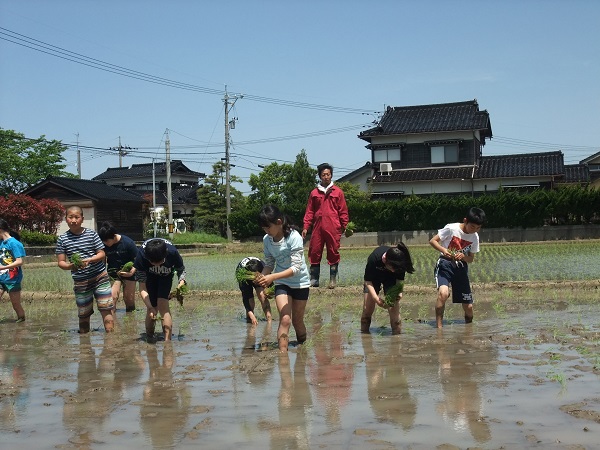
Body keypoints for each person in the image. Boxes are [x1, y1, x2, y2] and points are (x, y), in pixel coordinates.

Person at [256, 204, 310, 352]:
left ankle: (303, 349)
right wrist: (263, 276)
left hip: (300, 282)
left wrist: (272, 277)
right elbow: (269, 263)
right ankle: (283, 356)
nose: (266, 231)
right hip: (282, 283)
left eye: (268, 227)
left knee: (298, 321)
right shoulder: (267, 239)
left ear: (279, 222)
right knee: (285, 319)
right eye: (264, 228)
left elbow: (295, 268)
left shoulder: (294, 237)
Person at [56, 206, 115, 333]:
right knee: (83, 313)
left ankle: (111, 338)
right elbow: (61, 262)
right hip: (80, 281)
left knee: (106, 308)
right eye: (70, 217)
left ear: (82, 219)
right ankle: (84, 339)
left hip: (100, 277)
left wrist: (90, 260)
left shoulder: (92, 234)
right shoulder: (62, 239)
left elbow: (102, 254)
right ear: (66, 219)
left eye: (77, 217)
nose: (73, 220)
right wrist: (71, 266)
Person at [429, 207, 486, 329]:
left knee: (469, 307)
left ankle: (469, 330)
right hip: (445, 264)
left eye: (478, 228)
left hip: (461, 267)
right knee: (443, 294)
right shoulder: (452, 228)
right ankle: (439, 329)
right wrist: (444, 250)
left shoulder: (475, 237)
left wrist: (464, 256)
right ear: (465, 221)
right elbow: (433, 241)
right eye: (472, 227)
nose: (475, 230)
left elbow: (471, 259)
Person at [302, 162, 349, 289]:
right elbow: (310, 211)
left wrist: (346, 226)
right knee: (314, 251)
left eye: (328, 174)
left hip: (333, 226)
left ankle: (332, 280)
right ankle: (314, 280)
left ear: (331, 175)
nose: (326, 177)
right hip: (318, 227)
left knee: (333, 251)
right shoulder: (314, 193)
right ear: (320, 176)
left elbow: (343, 211)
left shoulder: (338, 192)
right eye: (323, 175)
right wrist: (306, 226)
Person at [134, 238, 186, 341]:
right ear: (147, 258)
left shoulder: (172, 253)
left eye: (160, 262)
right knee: (152, 307)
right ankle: (149, 337)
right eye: (153, 262)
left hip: (166, 276)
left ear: (165, 255)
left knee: (163, 305)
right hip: (150, 276)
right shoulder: (141, 256)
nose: (157, 265)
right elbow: (142, 287)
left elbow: (181, 270)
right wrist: (150, 307)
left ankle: (167, 341)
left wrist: (180, 285)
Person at [361, 243, 415, 335]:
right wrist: (376, 299)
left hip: (391, 279)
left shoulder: (399, 262)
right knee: (367, 311)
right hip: (373, 279)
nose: (394, 270)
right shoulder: (374, 258)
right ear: (386, 260)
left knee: (394, 312)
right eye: (392, 267)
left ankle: (397, 337)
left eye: (396, 269)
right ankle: (365, 336)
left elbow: (399, 281)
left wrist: (399, 293)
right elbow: (368, 281)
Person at [98, 222, 139, 312]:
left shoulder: (128, 243)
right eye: (103, 241)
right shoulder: (103, 245)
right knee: (112, 297)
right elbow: (103, 259)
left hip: (129, 272)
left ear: (113, 236)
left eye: (107, 241)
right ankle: (113, 318)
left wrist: (131, 272)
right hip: (114, 272)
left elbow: (137, 259)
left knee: (129, 299)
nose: (105, 243)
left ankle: (130, 318)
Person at [0, 219, 26, 322]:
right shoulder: (1, 243)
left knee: (15, 304)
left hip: (13, 278)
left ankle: (21, 321)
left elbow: (19, 261)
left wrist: (3, 267)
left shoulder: (14, 243)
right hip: (1, 278)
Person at [236, 256, 272, 325]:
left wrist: (269, 291)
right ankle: (250, 320)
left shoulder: (263, 268)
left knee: (262, 296)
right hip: (246, 277)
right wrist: (250, 313)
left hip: (258, 274)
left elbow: (271, 283)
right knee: (250, 301)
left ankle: (269, 319)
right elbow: (245, 297)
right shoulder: (242, 275)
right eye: (254, 278)